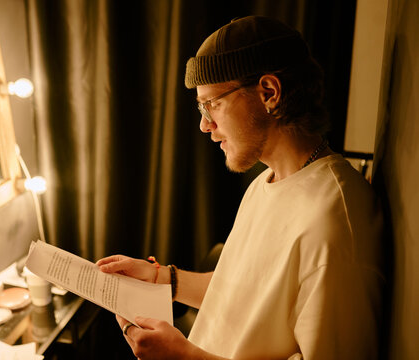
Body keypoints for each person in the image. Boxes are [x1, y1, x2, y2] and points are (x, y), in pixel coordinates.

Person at [97, 15, 384, 360]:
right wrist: (161, 278)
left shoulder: (335, 222)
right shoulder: (267, 182)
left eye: (212, 104)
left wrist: (186, 357)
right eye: (201, 107)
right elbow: (246, 295)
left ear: (269, 92)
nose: (205, 125)